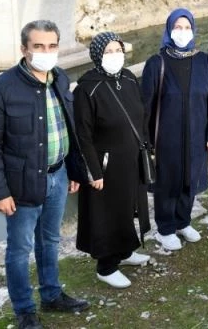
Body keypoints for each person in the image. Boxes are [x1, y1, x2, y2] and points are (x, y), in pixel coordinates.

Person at [0, 20, 89, 329]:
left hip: (59, 174)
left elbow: (69, 128)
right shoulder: (1, 90)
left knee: (50, 240)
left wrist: (73, 170)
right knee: (19, 249)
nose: (45, 52)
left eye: (52, 46)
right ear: (24, 49)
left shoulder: (60, 78)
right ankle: (25, 310)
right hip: (21, 183)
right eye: (38, 46)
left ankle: (51, 295)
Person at [73, 32, 151, 289]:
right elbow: (83, 135)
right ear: (97, 55)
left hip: (131, 158)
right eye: (108, 51)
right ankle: (106, 267)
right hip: (105, 165)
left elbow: (140, 115)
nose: (114, 56)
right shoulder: (87, 88)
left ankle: (125, 251)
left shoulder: (128, 78)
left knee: (127, 207)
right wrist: (93, 171)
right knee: (107, 213)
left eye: (118, 50)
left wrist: (147, 147)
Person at [141, 8, 208, 251]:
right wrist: (145, 141)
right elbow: (145, 106)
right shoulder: (156, 63)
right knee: (168, 183)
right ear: (169, 30)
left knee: (190, 179)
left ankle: (183, 222)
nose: (182, 32)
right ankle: (165, 229)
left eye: (187, 27)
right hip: (166, 138)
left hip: (197, 134)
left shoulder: (203, 60)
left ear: (193, 30)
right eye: (177, 27)